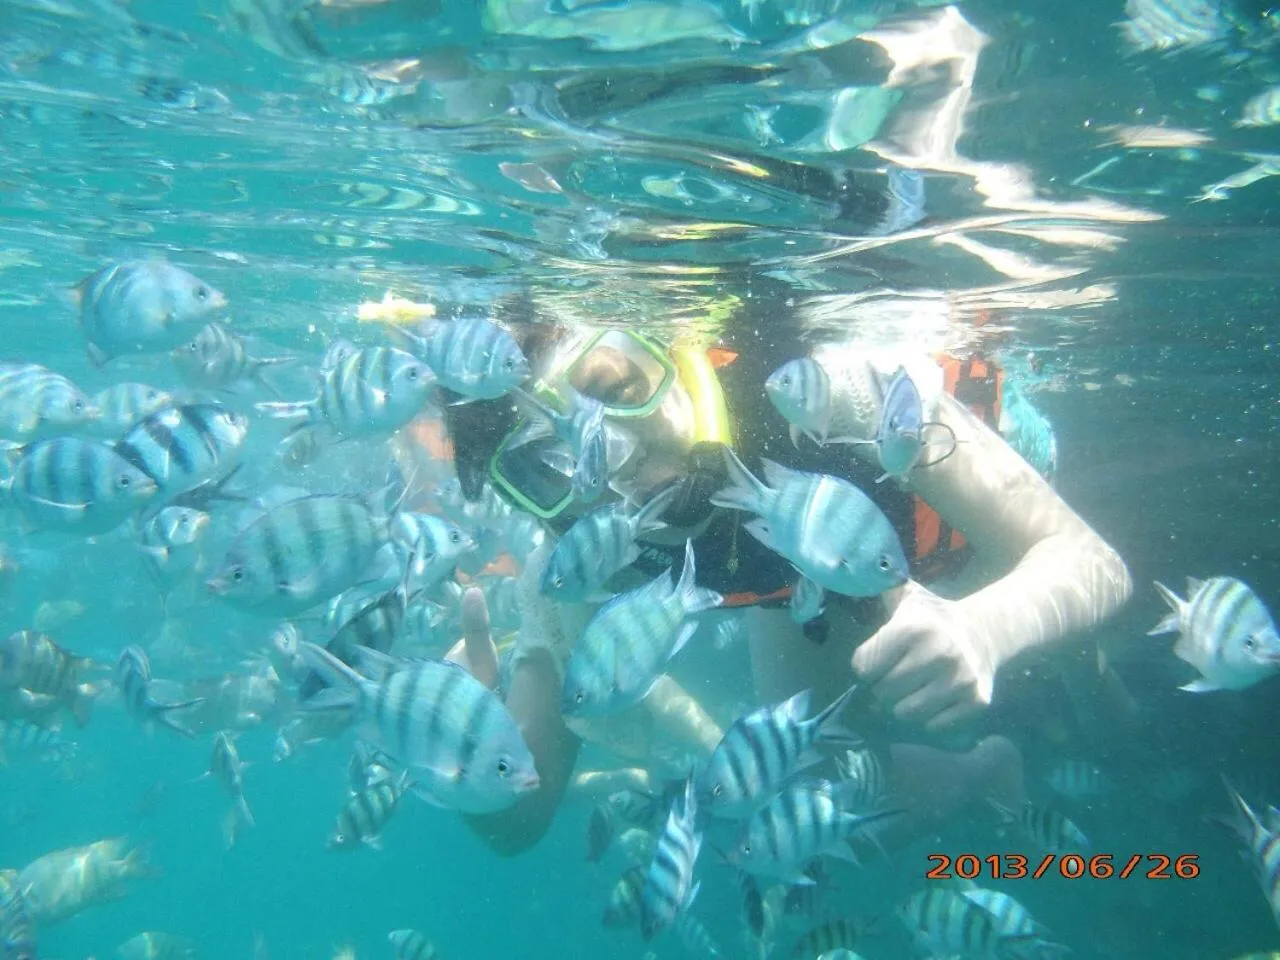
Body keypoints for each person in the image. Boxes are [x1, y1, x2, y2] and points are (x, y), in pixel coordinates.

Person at [393, 307, 1133, 857]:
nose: (612, 459)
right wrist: (461, 738)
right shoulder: (582, 546)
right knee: (815, 786)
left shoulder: (831, 388)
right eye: (548, 463)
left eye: (617, 386)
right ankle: (987, 770)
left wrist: (984, 629)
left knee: (1083, 664)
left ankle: (1092, 682)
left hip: (970, 534)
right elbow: (517, 824)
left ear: (670, 353)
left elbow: (1089, 561)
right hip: (811, 576)